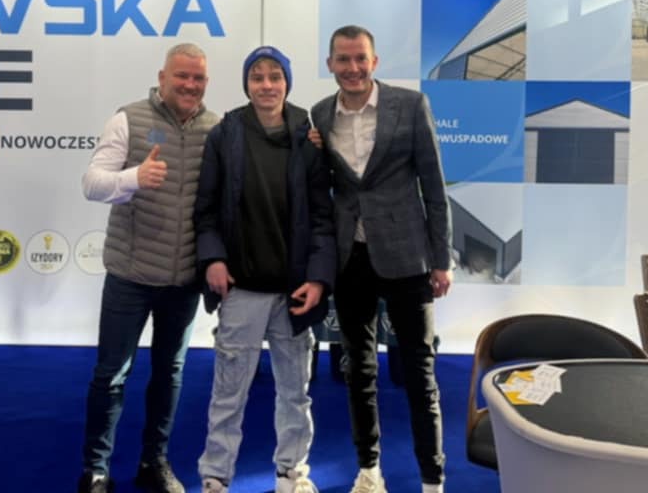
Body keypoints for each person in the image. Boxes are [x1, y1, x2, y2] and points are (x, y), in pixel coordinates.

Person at [310, 26, 452, 493]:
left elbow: (434, 187)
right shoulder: (320, 114)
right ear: (330, 64)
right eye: (343, 59)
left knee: (419, 371)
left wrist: (441, 259)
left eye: (360, 58)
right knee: (359, 368)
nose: (352, 68)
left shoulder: (410, 105)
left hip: (408, 255)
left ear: (374, 61)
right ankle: (369, 469)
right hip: (351, 258)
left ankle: (432, 478)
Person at [195, 46, 336, 493]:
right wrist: (213, 259)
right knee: (228, 393)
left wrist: (318, 278)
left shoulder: (308, 136)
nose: (267, 85)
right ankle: (216, 476)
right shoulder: (225, 134)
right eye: (257, 77)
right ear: (246, 84)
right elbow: (206, 208)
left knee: (295, 393)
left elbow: (322, 216)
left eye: (275, 76)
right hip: (242, 290)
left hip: (295, 293)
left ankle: (291, 473)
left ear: (287, 82)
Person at [79, 42, 218, 493]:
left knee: (169, 375)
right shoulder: (128, 118)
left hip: (183, 281)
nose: (189, 85)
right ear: (162, 77)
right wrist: (133, 178)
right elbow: (91, 183)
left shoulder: (216, 129)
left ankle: (153, 462)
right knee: (111, 374)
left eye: (197, 78)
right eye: (182, 76)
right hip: (130, 275)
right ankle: (96, 470)